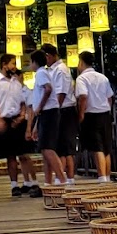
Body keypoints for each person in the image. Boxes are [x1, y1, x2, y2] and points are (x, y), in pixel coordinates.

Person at [0, 53, 41, 199]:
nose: (14, 67)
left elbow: (23, 102)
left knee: (12, 155)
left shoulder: (16, 83)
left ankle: (14, 186)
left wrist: (22, 115)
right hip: (0, 120)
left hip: (15, 121)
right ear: (4, 65)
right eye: (12, 64)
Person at [26, 49, 66, 188]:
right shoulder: (43, 73)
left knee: (48, 148)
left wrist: (39, 108)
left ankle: (62, 179)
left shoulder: (41, 72)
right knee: (44, 148)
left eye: (30, 62)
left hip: (48, 112)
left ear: (35, 62)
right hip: (45, 114)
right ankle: (48, 182)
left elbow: (48, 89)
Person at [76, 52, 114, 182]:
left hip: (91, 115)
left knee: (96, 146)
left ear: (81, 62)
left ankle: (101, 176)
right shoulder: (102, 77)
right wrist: (108, 109)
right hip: (105, 114)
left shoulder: (82, 79)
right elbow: (109, 97)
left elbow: (83, 96)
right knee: (106, 147)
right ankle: (107, 176)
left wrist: (81, 114)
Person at [45, 43, 78, 185]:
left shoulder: (61, 70)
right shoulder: (53, 70)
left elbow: (61, 93)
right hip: (61, 109)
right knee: (62, 147)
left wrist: (55, 110)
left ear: (49, 56)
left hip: (63, 110)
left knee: (63, 147)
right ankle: (67, 178)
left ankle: (64, 179)